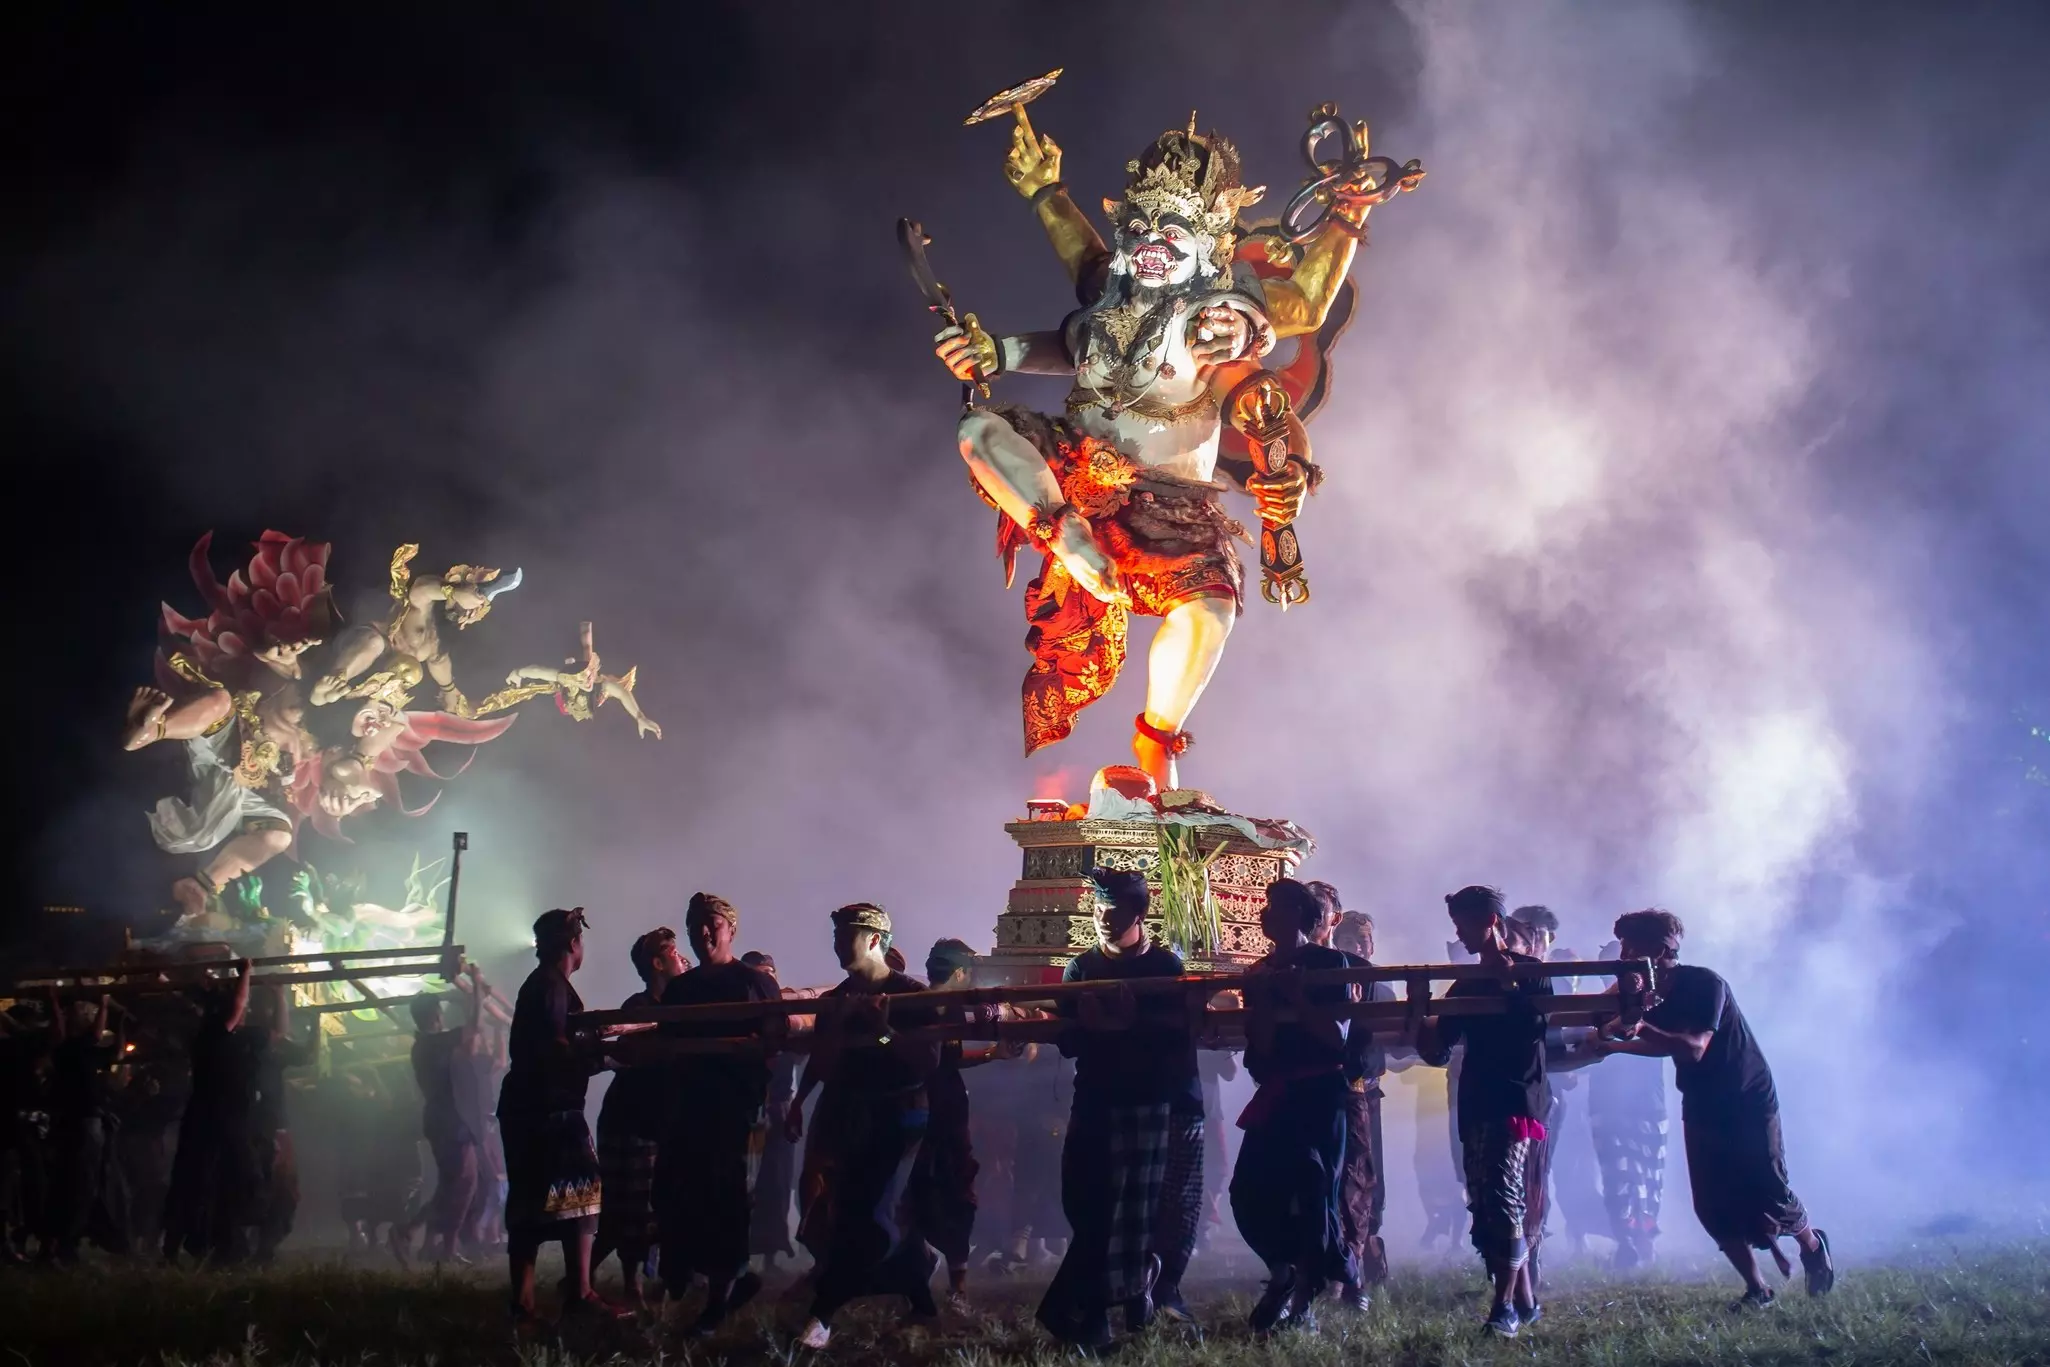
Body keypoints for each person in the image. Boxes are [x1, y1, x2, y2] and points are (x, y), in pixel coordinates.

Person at [1596, 909, 1833, 1308]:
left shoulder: (1704, 984)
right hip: (1701, 1099)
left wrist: (1636, 1026)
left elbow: (1693, 1047)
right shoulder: (1647, 994)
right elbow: (1660, 1043)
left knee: (1770, 1189)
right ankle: (1758, 1289)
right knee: (1709, 1202)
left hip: (1746, 1098)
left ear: (1659, 949)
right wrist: (1615, 1041)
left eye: (1630, 946)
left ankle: (1812, 1244)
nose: (1623, 954)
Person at [1036, 869, 1197, 1346]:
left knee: (1130, 1213)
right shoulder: (1080, 969)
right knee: (1089, 1206)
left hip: (1146, 1101)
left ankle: (1096, 1314)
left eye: (1117, 909)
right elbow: (1067, 1041)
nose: (1105, 918)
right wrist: (1101, 1028)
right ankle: (1098, 1307)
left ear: (1140, 913)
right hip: (1095, 1099)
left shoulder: (1165, 967)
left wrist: (1119, 1027)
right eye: (1100, 908)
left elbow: (1174, 1039)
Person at [787, 903, 940, 1350]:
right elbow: (822, 1059)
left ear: (874, 939)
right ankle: (923, 1301)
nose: (837, 944)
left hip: (903, 1114)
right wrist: (799, 1101)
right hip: (854, 1114)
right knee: (862, 1207)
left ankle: (823, 1313)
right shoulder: (836, 1000)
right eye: (835, 935)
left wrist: (883, 1030)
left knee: (870, 1214)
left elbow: (925, 1062)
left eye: (846, 935)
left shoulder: (912, 995)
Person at [1415, 886, 1549, 1338]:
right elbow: (1438, 1050)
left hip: (1515, 1099)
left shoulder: (1532, 971)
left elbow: (1534, 1028)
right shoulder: (1467, 981)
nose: (1459, 931)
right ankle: (1526, 1301)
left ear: (1491, 921)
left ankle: (1504, 1306)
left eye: (1465, 923)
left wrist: (1510, 984)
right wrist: (1423, 1023)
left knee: (1503, 1199)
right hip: (1476, 1100)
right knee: (1488, 1203)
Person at [1230, 877, 1357, 1333]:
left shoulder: (1330, 963)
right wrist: (1262, 997)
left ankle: (1304, 1300)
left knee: (1314, 1194)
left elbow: (1334, 1038)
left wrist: (1296, 994)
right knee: (1247, 1192)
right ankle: (1281, 1272)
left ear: (1301, 917)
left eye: (1277, 907)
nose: (1265, 914)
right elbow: (1260, 1047)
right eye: (1265, 905)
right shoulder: (1258, 971)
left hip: (1320, 1095)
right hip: (1278, 1092)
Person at [652, 894, 782, 1335]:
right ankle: (722, 1276)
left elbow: (774, 1042)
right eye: (694, 925)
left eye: (712, 924)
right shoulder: (680, 990)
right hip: (687, 1110)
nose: (703, 932)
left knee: (729, 1202)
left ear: (730, 929)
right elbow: (665, 1045)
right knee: (676, 1195)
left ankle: (717, 1304)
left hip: (737, 1112)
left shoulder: (754, 983)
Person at [497, 907, 611, 1326]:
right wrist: (603, 1054)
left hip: (530, 1105)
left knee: (531, 1198)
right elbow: (554, 1045)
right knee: (581, 1187)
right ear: (573, 943)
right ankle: (578, 1293)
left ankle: (524, 1303)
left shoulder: (543, 984)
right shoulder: (550, 987)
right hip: (549, 1106)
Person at [910, 938, 1010, 1310]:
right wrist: (888, 1040)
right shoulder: (913, 1006)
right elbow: (887, 1041)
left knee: (946, 1190)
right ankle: (945, 1285)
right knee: (935, 1192)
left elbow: (947, 1060)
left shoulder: (949, 1011)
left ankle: (954, 1286)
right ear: (959, 973)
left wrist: (991, 1053)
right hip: (924, 1109)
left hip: (941, 1109)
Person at [591, 928, 684, 1305]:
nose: (684, 960)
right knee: (630, 1208)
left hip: (658, 1120)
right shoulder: (639, 1006)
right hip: (629, 1119)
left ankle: (582, 1276)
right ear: (658, 964)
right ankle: (631, 1286)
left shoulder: (682, 1005)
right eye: (676, 954)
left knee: (640, 1209)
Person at [162, 959, 258, 1264]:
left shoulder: (206, 1034)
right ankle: (189, 1245)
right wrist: (245, 974)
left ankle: (188, 1246)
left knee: (195, 1179)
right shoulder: (213, 1032)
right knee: (208, 1180)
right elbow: (238, 1005)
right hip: (215, 1116)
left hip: (207, 1115)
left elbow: (237, 1007)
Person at [1324, 897, 1395, 1301]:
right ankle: (1337, 1262)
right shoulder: (1327, 978)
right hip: (1330, 1090)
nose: (1361, 948)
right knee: (1335, 1175)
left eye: (1367, 941)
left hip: (1366, 1090)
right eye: (1353, 939)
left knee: (1367, 1175)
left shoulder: (1379, 986)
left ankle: (1367, 1246)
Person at [1586, 938, 1668, 1269]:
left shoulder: (1655, 1004)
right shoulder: (1596, 1007)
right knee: (1618, 1175)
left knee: (1648, 1174)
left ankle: (1642, 1241)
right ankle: (1626, 1241)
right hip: (1607, 1101)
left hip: (1648, 1101)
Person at [41, 993, 129, 1262]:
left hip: (83, 1122)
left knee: (81, 1181)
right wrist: (105, 1006)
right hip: (82, 1122)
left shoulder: (77, 1050)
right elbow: (100, 1037)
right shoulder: (70, 1048)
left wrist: (121, 1023)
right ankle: (67, 1241)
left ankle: (68, 1240)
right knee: (81, 1182)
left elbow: (115, 1051)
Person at [410, 965, 487, 1265]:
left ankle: (444, 1246)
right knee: (460, 1183)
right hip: (447, 1120)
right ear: (434, 1016)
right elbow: (475, 1028)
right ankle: (410, 1230)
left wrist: (467, 998)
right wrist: (476, 987)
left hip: (446, 1118)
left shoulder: (427, 1044)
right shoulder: (431, 1042)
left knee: (457, 1183)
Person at [245, 984, 316, 1261]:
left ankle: (265, 1243)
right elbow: (281, 1034)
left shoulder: (273, 1042)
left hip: (275, 1124)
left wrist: (316, 1025)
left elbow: (306, 1056)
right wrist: (279, 995)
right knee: (259, 1185)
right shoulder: (249, 1037)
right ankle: (253, 1243)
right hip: (256, 1125)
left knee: (282, 1189)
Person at [743, 952, 803, 1275]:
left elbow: (801, 1054)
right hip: (747, 1111)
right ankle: (739, 1253)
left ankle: (771, 1253)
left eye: (769, 974)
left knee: (777, 1182)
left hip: (780, 1109)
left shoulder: (787, 1014)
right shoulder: (739, 1017)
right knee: (746, 1183)